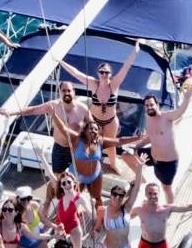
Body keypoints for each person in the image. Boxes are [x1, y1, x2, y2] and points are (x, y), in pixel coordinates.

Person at [60, 40, 140, 169]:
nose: (104, 74)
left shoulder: (114, 84)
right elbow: (75, 72)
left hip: (110, 121)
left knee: (111, 145)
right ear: (97, 73)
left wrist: (135, 51)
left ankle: (113, 165)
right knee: (90, 142)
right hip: (94, 120)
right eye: (101, 72)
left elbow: (126, 67)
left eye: (106, 72)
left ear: (111, 74)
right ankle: (90, 162)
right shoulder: (93, 83)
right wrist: (59, 61)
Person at [1, 82, 88, 178]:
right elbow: (33, 110)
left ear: (74, 92)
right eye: (63, 90)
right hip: (59, 149)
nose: (66, 93)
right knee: (58, 178)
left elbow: (93, 127)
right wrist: (11, 112)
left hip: (76, 149)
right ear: (59, 92)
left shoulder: (83, 109)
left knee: (77, 178)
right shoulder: (53, 106)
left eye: (69, 90)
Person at [133, 78, 192, 202]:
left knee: (166, 188)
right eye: (146, 105)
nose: (149, 107)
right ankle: (141, 179)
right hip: (153, 157)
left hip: (167, 163)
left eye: (151, 104)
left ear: (157, 105)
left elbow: (180, 112)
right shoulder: (148, 119)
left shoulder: (166, 117)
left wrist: (187, 98)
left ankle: (169, 208)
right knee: (127, 155)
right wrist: (137, 146)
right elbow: (151, 136)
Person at [45, 172, 90, 248]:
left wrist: (93, 211)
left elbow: (92, 214)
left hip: (73, 226)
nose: (67, 184)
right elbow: (50, 174)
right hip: (60, 226)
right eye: (64, 183)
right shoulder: (61, 193)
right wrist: (42, 158)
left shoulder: (80, 197)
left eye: (69, 182)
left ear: (74, 182)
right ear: (61, 185)